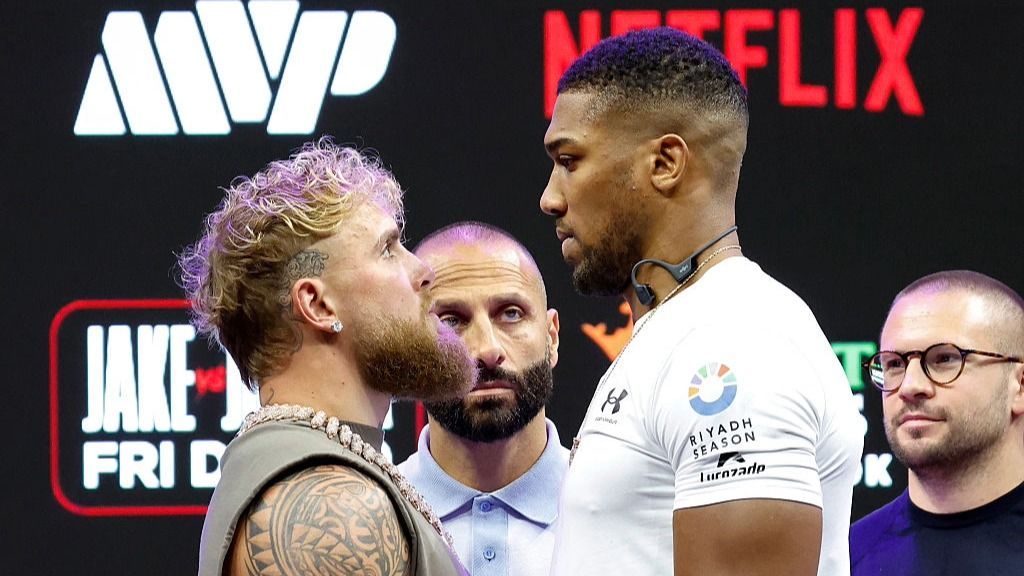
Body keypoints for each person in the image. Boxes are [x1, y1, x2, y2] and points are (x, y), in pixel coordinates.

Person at [539, 27, 863, 576]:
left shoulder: (733, 342)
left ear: (665, 163)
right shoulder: (686, 329)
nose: (550, 198)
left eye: (569, 160)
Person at [181, 139, 477, 576]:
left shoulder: (328, 471)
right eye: (387, 249)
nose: (424, 271)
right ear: (318, 305)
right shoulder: (331, 506)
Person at [397, 221, 569, 576]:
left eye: (511, 313)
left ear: (551, 337)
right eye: (451, 321)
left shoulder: (623, 508)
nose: (487, 350)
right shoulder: (368, 516)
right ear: (411, 349)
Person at [850, 270, 1024, 575]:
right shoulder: (846, 558)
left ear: (1019, 386)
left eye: (945, 359)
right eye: (894, 364)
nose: (909, 386)